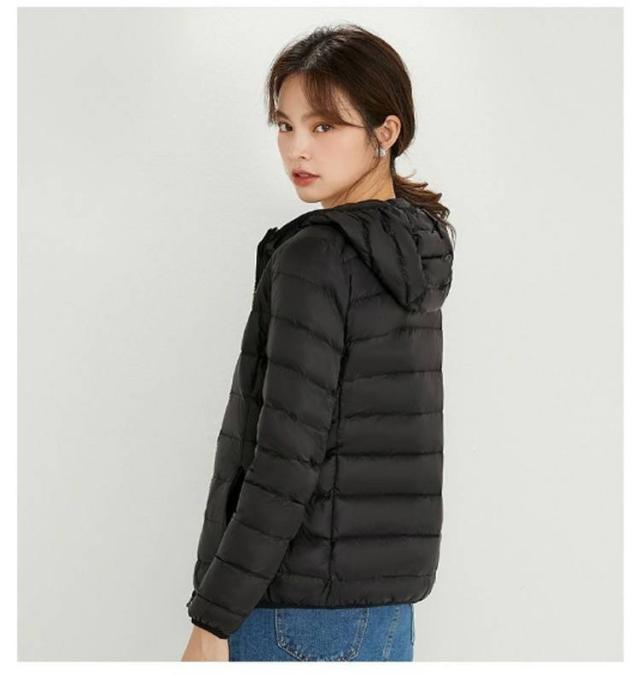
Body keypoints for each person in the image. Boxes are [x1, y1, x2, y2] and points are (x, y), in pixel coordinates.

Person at [181, 23, 455, 662]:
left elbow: (285, 461)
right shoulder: (412, 247)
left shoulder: (318, 255)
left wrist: (212, 621)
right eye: (285, 125)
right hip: (386, 616)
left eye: (324, 126)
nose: (297, 148)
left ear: (385, 133)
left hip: (295, 615)